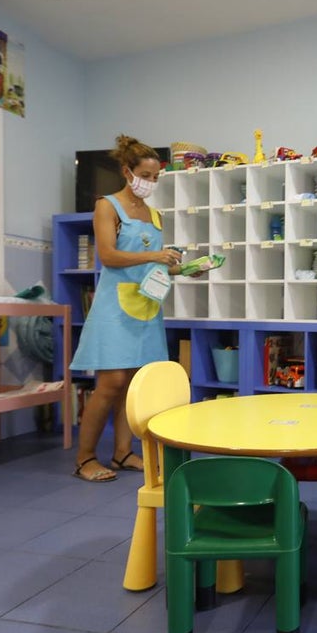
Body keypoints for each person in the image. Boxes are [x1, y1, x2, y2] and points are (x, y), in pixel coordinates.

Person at [70, 134, 185, 482]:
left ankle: (122, 452)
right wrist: (155, 255)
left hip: (147, 305)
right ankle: (85, 458)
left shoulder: (155, 215)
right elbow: (108, 255)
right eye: (145, 175)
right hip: (114, 307)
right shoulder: (107, 206)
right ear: (126, 170)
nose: (149, 182)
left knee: (135, 382)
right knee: (111, 382)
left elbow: (156, 265)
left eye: (155, 177)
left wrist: (185, 267)